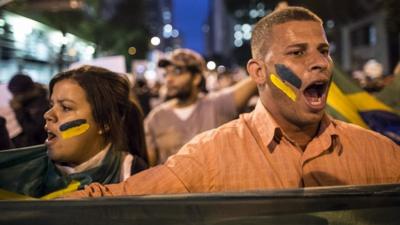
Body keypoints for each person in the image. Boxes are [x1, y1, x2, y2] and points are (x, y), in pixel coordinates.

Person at [63, 6, 400, 198]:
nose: (320, 63)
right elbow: (118, 200)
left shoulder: (380, 154)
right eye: (297, 52)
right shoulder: (207, 157)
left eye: (324, 51)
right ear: (258, 72)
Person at [0, 66, 148, 199]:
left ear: (104, 123)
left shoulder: (131, 171)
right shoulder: (26, 174)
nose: (48, 114)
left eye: (66, 108)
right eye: (51, 105)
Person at [145, 48, 257, 165]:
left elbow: (254, 80)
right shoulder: (155, 118)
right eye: (166, 74)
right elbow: (150, 166)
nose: (169, 79)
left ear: (196, 78)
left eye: (177, 72)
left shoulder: (217, 104)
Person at [7, 73, 49, 147]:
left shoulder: (43, 103)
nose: (14, 98)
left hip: (38, 147)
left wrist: (18, 110)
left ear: (28, 91)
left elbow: (33, 131)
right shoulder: (27, 100)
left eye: (16, 95)